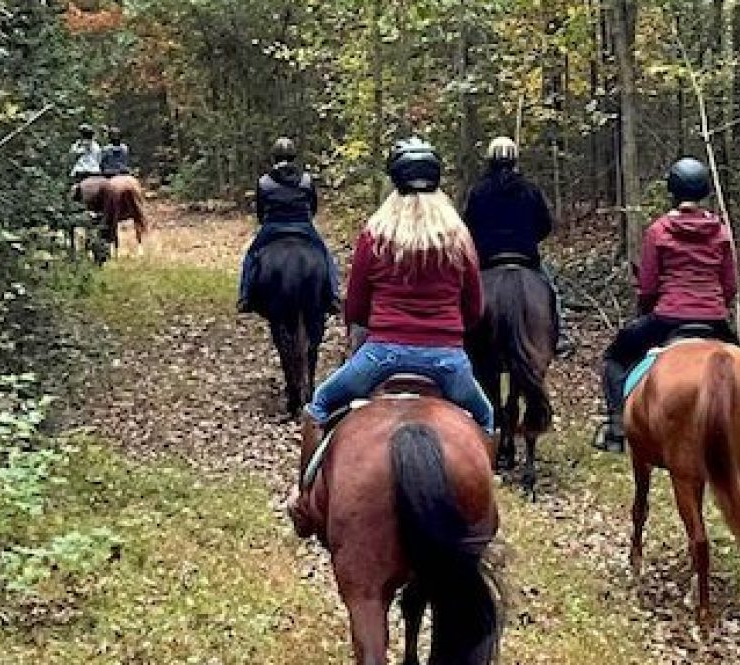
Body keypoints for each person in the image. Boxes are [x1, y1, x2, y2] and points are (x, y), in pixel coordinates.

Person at [298, 137, 495, 466]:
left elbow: (357, 306)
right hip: (448, 362)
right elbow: (474, 309)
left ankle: (304, 496)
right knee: (486, 417)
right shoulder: (459, 238)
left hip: (381, 356)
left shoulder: (376, 235)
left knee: (319, 404)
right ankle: (485, 500)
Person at [595, 157, 739, 453]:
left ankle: (617, 426)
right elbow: (730, 285)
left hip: (668, 317)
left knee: (614, 359)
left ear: (671, 190)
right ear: (705, 191)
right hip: (713, 319)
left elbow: (647, 287)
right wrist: (715, 307)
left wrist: (648, 308)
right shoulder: (722, 232)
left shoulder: (659, 231)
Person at [462, 136, 573, 356]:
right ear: (514, 160)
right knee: (551, 291)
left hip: (487, 261)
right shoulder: (531, 190)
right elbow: (544, 225)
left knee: (463, 294)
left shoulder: (477, 192)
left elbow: (467, 228)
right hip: (526, 260)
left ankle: (458, 333)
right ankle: (561, 335)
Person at [237, 137, 340, 314]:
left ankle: (245, 297)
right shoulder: (306, 180)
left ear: (274, 157)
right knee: (325, 254)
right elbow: (313, 207)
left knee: (252, 255)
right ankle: (333, 296)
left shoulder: (264, 182)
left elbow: (261, 212)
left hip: (273, 226)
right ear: (294, 156)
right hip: (303, 225)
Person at [69, 123, 103, 205]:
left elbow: (73, 154)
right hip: (95, 171)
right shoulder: (96, 145)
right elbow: (99, 159)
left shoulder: (79, 146)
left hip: (81, 171)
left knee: (74, 188)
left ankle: (74, 202)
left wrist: (77, 143)